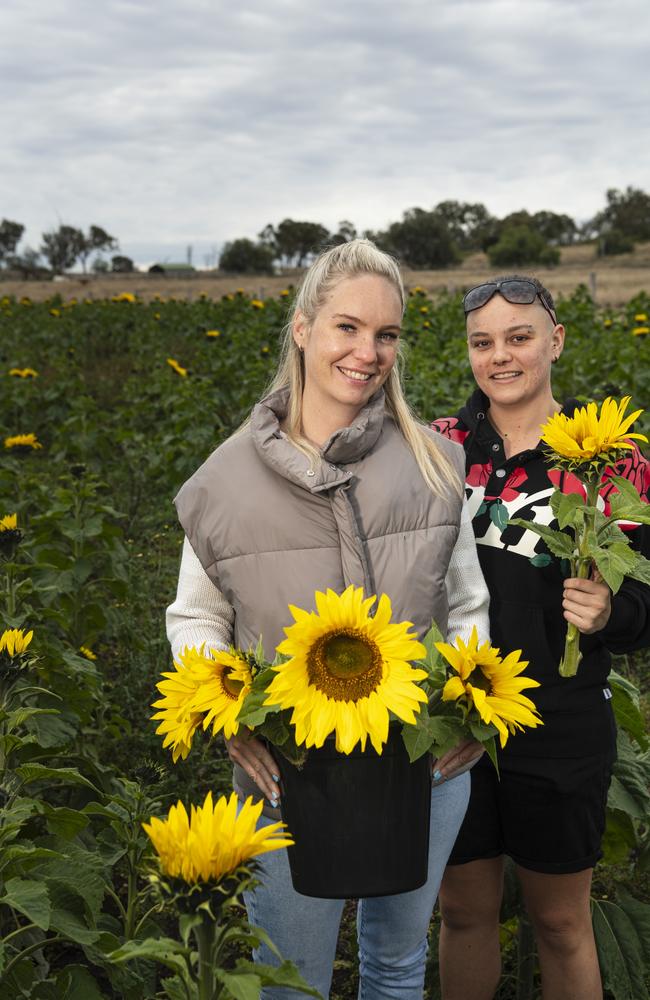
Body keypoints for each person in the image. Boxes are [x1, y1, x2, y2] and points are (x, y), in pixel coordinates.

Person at [166, 239, 491, 999]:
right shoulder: (225, 480)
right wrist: (226, 716)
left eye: (386, 335)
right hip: (286, 774)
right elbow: (195, 619)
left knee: (397, 962)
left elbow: (466, 603)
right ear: (304, 328)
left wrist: (474, 708)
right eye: (348, 327)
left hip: (424, 770)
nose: (368, 351)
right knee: (290, 980)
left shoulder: (436, 463)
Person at [432, 275, 650, 1000]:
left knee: (561, 924)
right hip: (454, 717)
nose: (501, 356)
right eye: (483, 342)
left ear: (555, 340)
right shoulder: (437, 448)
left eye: (519, 337)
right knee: (464, 911)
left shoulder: (609, 457)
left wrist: (612, 614)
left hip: (558, 719)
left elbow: (646, 599)